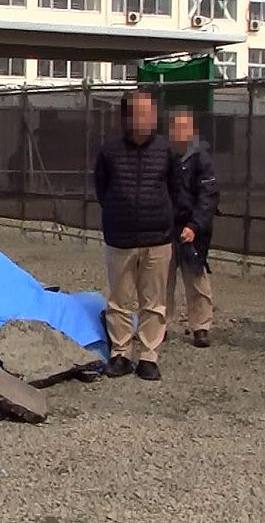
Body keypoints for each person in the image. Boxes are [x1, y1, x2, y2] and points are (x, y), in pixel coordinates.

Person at [95, 90, 183, 381]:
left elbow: (175, 189)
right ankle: (120, 354)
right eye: (140, 113)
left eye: (150, 113)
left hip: (157, 238)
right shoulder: (109, 152)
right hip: (120, 238)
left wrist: (168, 220)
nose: (147, 119)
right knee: (119, 300)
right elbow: (102, 189)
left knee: (154, 301)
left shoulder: (166, 151)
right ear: (127, 117)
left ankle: (148, 356)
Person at [166, 107, 219, 348]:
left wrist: (195, 226)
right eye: (175, 127)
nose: (179, 132)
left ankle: (200, 327)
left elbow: (208, 196)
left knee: (196, 277)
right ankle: (160, 324)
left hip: (191, 228)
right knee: (160, 279)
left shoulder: (201, 158)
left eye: (184, 127)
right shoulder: (167, 156)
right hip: (166, 226)